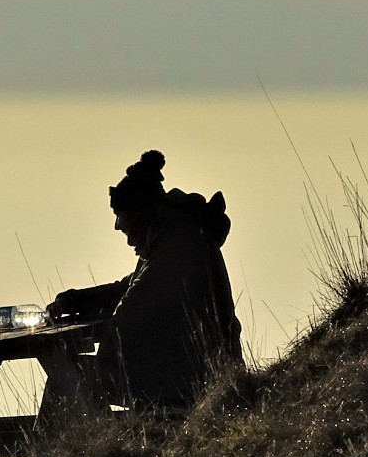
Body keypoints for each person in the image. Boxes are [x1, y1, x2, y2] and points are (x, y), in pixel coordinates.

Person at [46, 150, 242, 411]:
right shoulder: (174, 238)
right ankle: (95, 444)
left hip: (192, 382)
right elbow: (128, 288)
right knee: (74, 375)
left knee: (67, 375)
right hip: (186, 373)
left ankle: (61, 450)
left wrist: (107, 359)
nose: (128, 239)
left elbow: (132, 309)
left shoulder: (178, 246)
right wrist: (73, 300)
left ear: (143, 216)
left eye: (128, 227)